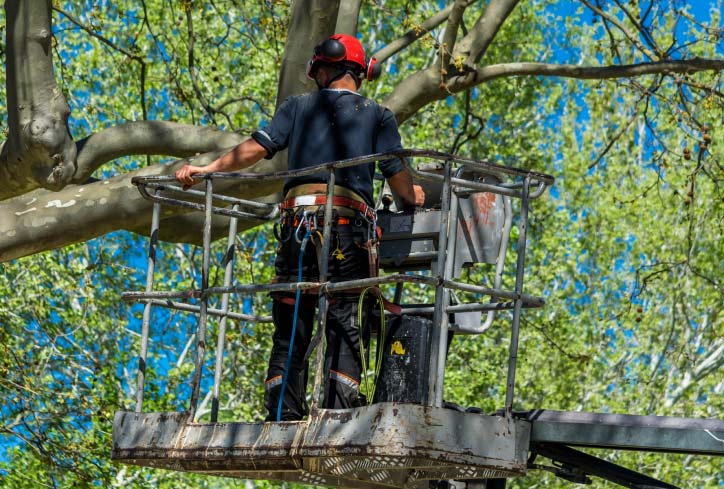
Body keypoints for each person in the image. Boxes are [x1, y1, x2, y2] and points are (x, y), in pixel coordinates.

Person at [175, 33, 424, 421]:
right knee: (344, 317)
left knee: (292, 319)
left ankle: (283, 411)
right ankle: (338, 416)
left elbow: (255, 148)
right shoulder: (379, 115)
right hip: (347, 230)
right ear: (360, 73)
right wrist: (414, 197)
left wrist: (208, 169)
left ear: (326, 68)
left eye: (319, 71)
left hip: (297, 229)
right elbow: (397, 176)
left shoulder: (298, 108)